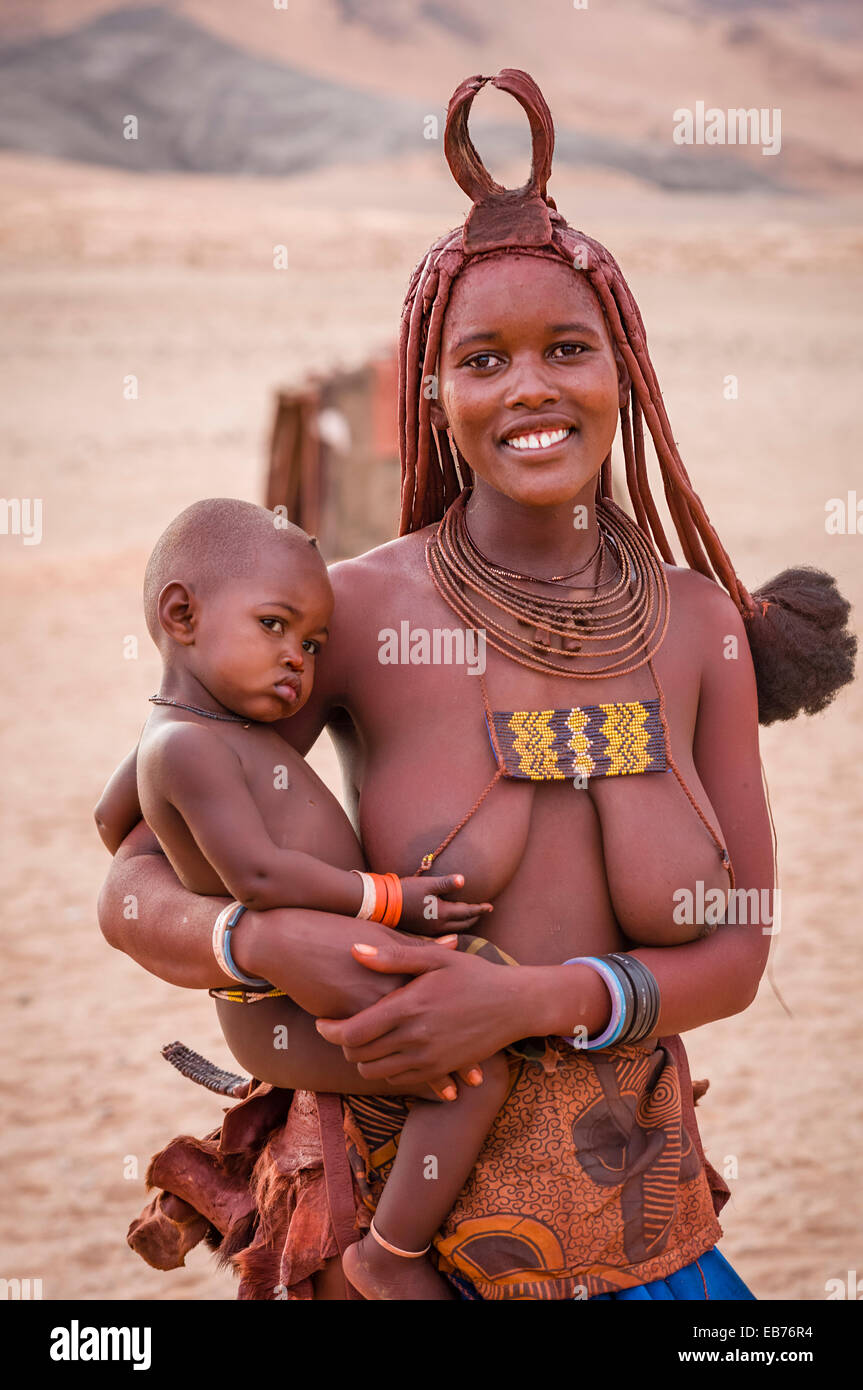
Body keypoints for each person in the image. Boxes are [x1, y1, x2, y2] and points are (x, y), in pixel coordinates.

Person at [96, 70, 855, 1302]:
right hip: (377, 1251)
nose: (531, 390)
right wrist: (252, 934)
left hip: (639, 1239)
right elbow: (131, 880)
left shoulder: (699, 627)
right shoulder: (353, 614)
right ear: (435, 392)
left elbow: (739, 951)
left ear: (626, 369)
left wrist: (526, 1001)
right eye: (482, 360)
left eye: (568, 348)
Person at [121, 494, 510, 1299]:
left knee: (485, 988)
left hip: (316, 975)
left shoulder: (209, 728)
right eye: (274, 626)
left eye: (313, 642)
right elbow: (259, 878)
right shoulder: (188, 746)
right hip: (281, 1007)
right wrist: (392, 899)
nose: (298, 657)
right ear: (182, 613)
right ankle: (388, 1257)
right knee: (475, 1072)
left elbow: (105, 816)